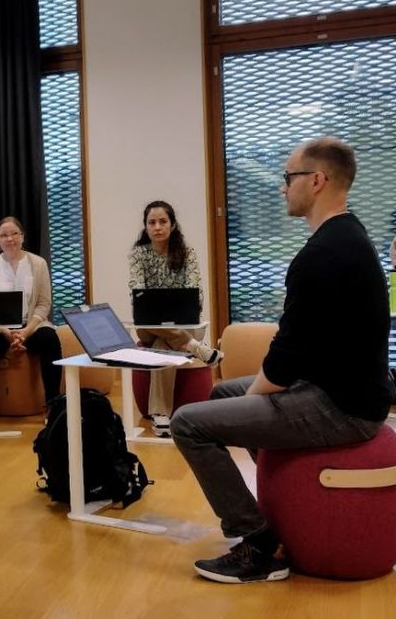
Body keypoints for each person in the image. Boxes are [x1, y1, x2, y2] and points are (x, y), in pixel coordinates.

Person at [171, 137, 395, 583]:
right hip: (343, 389)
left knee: (187, 423)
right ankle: (284, 503)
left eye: (288, 177)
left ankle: (259, 545)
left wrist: (258, 400)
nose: (282, 187)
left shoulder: (322, 255)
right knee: (221, 394)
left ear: (317, 180)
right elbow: (306, 345)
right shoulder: (350, 236)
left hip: (343, 408)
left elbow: (283, 362)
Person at [128, 200, 222, 436]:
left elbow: (195, 293)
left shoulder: (187, 253)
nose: (157, 227)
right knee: (158, 330)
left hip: (186, 323)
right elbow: (137, 293)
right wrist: (158, 312)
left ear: (172, 225)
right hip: (149, 326)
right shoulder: (138, 254)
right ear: (146, 227)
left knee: (163, 345)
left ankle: (160, 415)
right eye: (152, 222)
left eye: (163, 221)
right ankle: (196, 348)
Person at [0, 216, 63, 426]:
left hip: (32, 324)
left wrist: (25, 332)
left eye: (14, 233)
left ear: (22, 236)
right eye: (4, 235)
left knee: (49, 339)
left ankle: (53, 403)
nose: (10, 239)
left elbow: (44, 303)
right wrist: (8, 333)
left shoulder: (38, 263)